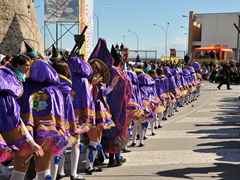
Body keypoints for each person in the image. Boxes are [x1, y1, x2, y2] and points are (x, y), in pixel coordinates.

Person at [14, 60, 69, 180]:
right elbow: (60, 114)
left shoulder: (23, 87)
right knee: (44, 172)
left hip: (25, 134)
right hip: (47, 134)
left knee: (18, 171)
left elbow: (16, 112)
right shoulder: (54, 90)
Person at [51, 60, 86, 180]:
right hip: (64, 122)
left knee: (57, 150)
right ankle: (73, 174)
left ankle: (60, 172)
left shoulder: (49, 86)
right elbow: (68, 109)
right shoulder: (66, 89)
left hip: (48, 123)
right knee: (75, 142)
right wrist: (73, 126)